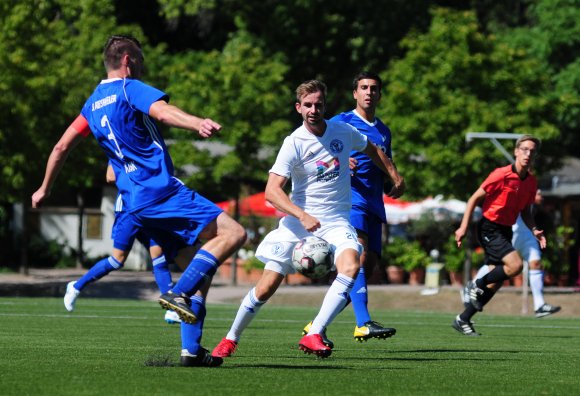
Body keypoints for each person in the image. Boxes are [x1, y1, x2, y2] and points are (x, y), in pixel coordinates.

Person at [31, 35, 246, 367]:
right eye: (140, 59)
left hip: (134, 203)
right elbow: (162, 111)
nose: (143, 65)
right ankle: (178, 293)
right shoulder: (130, 89)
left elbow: (61, 148)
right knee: (233, 234)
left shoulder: (91, 104)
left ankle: (191, 350)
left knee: (200, 265)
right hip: (160, 191)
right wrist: (196, 123)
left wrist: (44, 188)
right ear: (128, 60)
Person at [212, 79, 405, 359]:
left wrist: (394, 175)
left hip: (336, 221)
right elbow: (271, 191)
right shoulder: (294, 143)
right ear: (298, 108)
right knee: (266, 287)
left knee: (351, 266)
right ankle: (230, 338)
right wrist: (301, 215)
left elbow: (373, 149)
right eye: (308, 105)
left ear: (325, 106)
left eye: (319, 104)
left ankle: (315, 332)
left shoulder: (342, 130)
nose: (314, 110)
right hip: (297, 223)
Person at [302, 72, 401, 346]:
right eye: (363, 88)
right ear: (355, 93)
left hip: (373, 202)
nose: (369, 92)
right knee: (356, 257)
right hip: (350, 200)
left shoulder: (383, 130)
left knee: (366, 269)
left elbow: (381, 161)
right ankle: (363, 323)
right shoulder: (340, 122)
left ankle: (316, 324)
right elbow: (317, 148)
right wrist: (340, 161)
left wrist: (392, 181)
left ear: (379, 94)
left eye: (374, 88)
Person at [63, 164, 182, 324]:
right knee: (117, 260)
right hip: (128, 208)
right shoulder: (121, 144)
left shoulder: (150, 147)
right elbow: (110, 176)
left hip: (149, 205)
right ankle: (76, 287)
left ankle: (172, 308)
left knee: (158, 254)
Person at [453, 135, 546, 336]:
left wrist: (535, 230)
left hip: (504, 229)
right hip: (489, 227)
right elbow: (473, 199)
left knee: (495, 282)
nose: (528, 154)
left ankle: (463, 318)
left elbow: (526, 212)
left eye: (532, 151)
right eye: (524, 149)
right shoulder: (500, 174)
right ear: (516, 151)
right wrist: (463, 227)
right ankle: (475, 284)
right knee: (515, 266)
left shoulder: (531, 182)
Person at [467, 189, 561, 318]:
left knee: (536, 263)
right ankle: (473, 284)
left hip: (527, 236)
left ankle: (539, 305)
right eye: (538, 193)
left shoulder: (529, 188)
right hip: (511, 234)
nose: (541, 196)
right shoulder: (516, 188)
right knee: (496, 266)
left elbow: (528, 214)